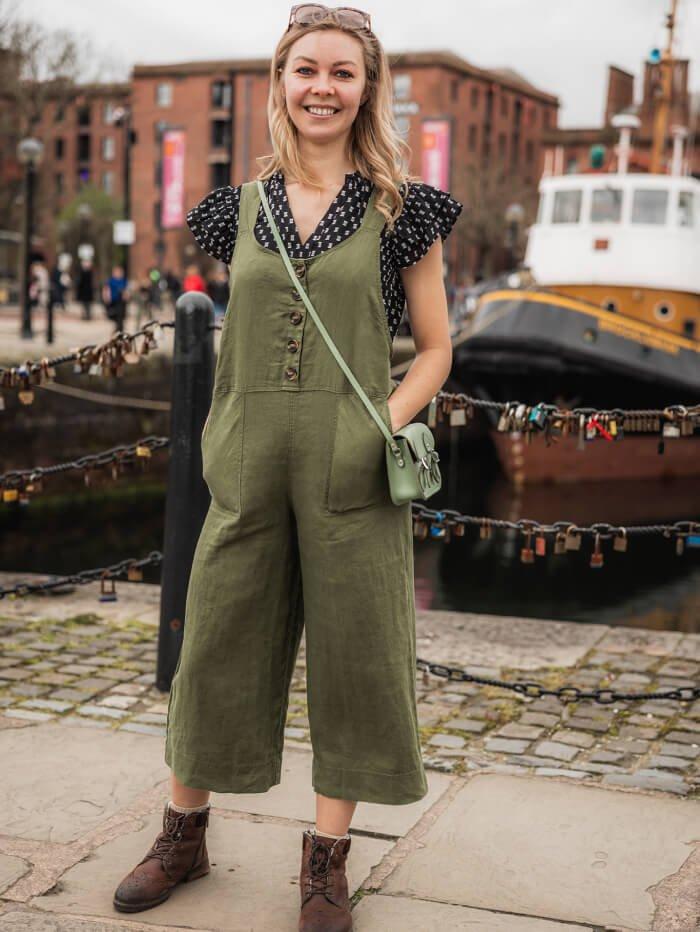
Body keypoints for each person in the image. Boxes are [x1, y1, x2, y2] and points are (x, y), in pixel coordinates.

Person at [112, 5, 462, 928]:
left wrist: (374, 425)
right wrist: (225, 442)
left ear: (365, 88)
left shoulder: (403, 210)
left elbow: (434, 349)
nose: (323, 87)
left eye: (342, 72)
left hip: (352, 470)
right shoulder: (236, 210)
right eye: (307, 69)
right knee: (217, 645)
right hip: (249, 466)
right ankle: (183, 837)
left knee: (356, 659)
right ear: (281, 80)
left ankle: (325, 864)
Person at [102, 264, 129, 331]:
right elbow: (106, 289)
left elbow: (127, 290)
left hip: (121, 301)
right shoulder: (110, 281)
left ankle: (119, 329)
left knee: (120, 316)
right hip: (112, 301)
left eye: (119, 272)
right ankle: (118, 328)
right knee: (112, 315)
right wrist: (106, 297)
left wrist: (126, 295)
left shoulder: (124, 281)